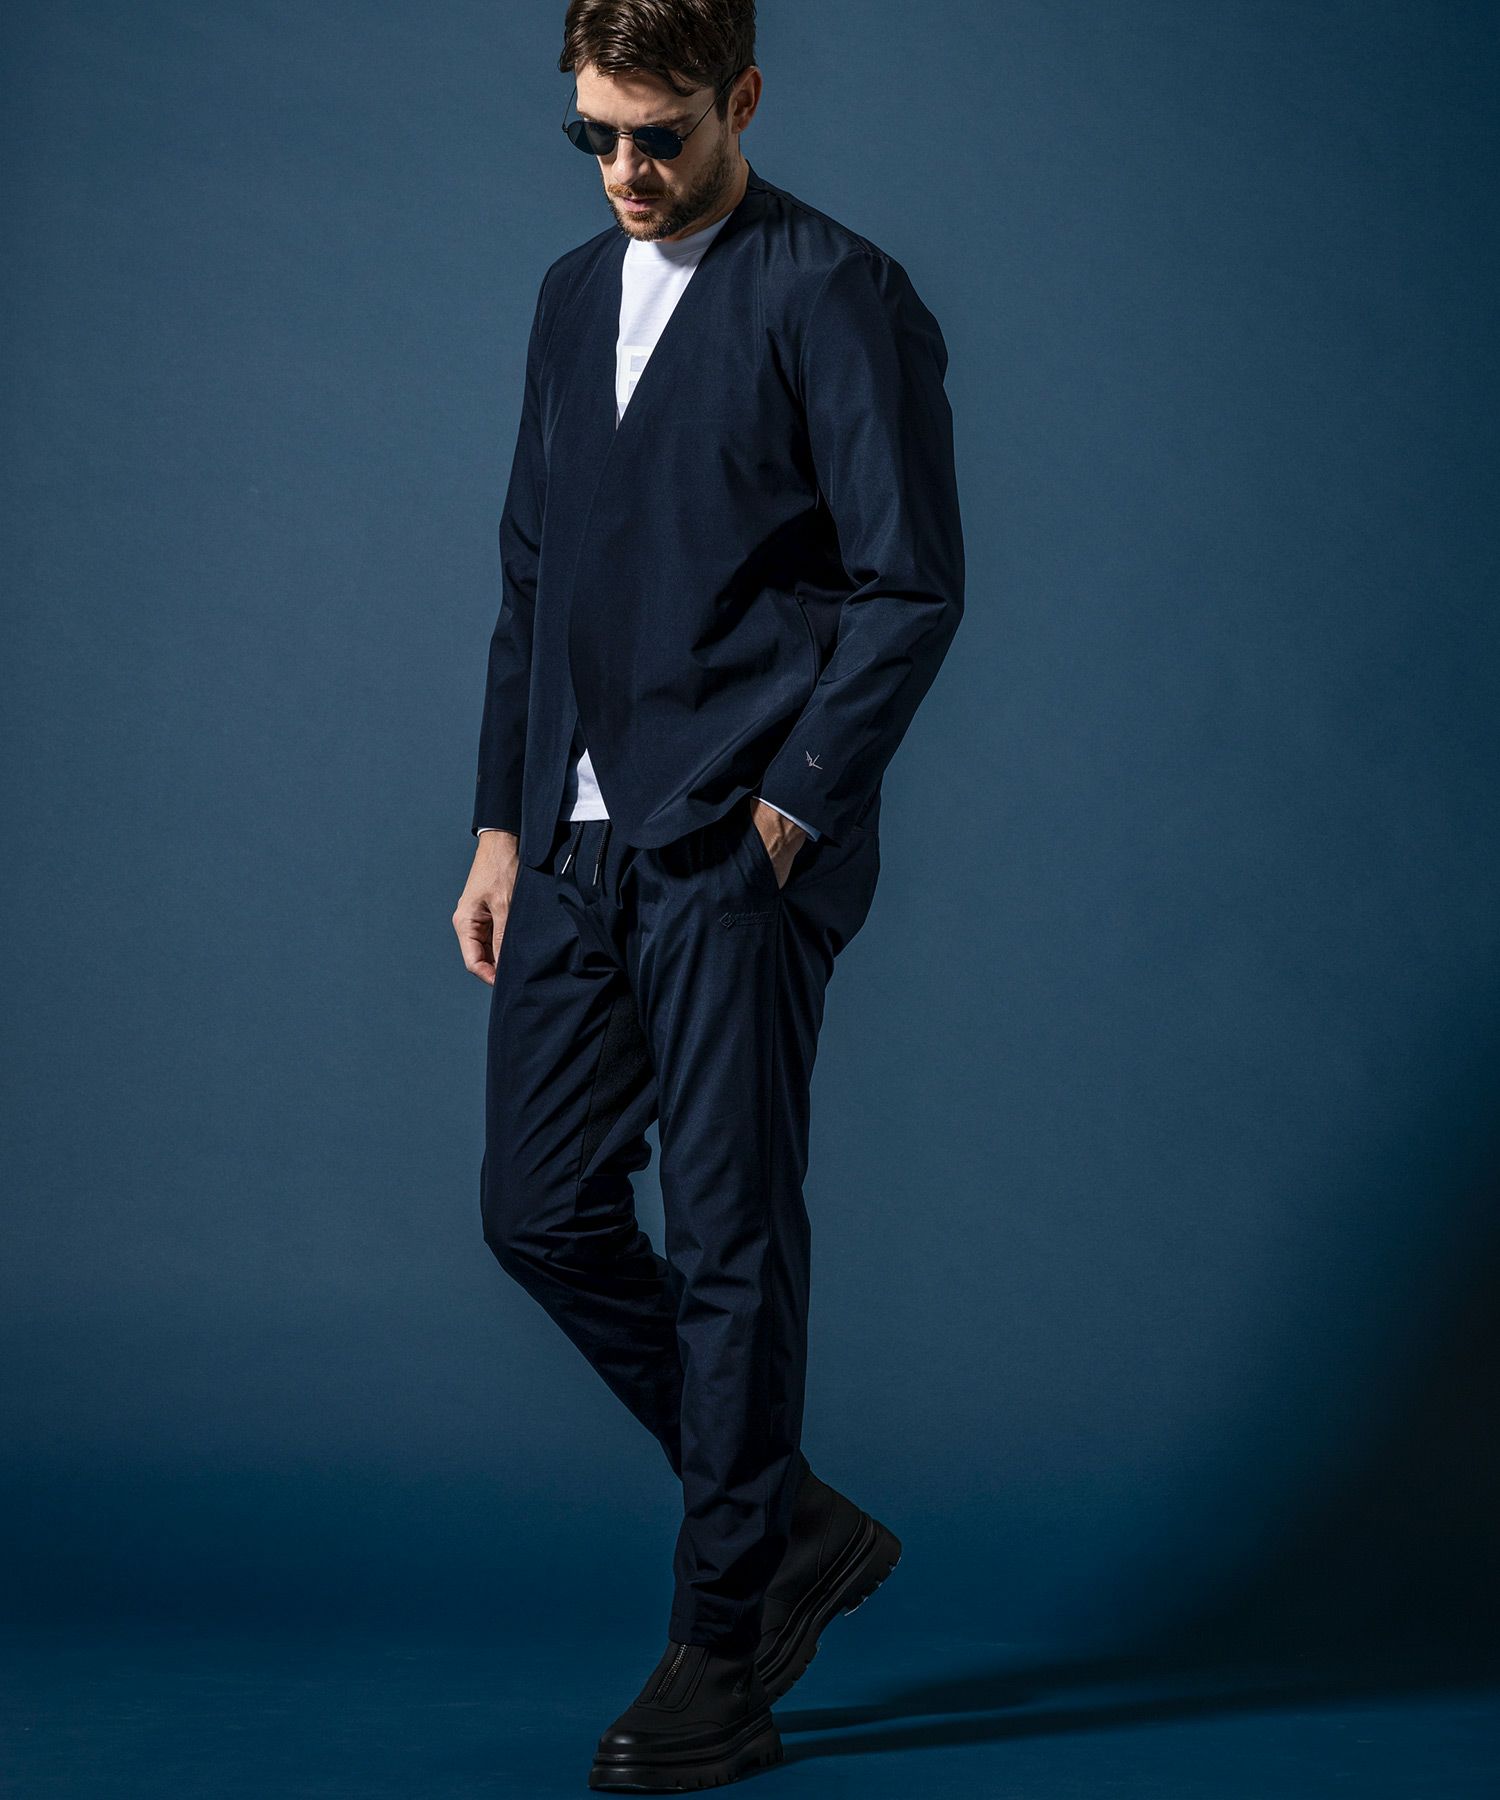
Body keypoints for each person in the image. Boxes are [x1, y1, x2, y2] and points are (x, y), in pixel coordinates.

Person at [451, 3, 964, 1788]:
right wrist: (501, 824)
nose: (624, 170)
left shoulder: (838, 294)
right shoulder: (567, 296)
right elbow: (533, 574)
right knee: (538, 1211)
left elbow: (909, 587)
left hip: (735, 847)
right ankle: (791, 1518)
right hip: (573, 841)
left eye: (658, 132)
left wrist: (789, 818)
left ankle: (724, 1648)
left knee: (735, 1243)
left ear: (740, 98)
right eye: (593, 135)